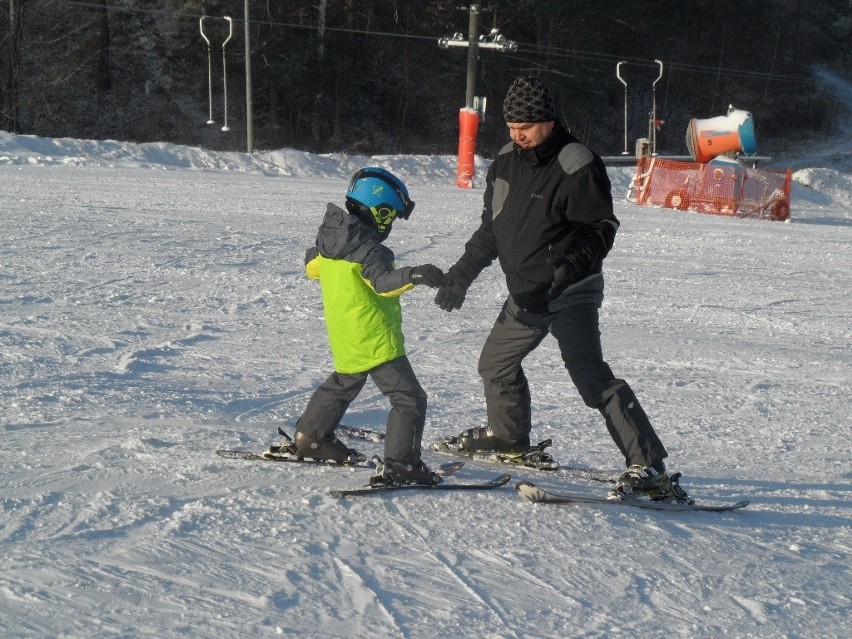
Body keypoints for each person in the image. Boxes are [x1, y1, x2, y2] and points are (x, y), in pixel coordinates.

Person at [433, 76, 688, 501]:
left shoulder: (576, 163)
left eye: (526, 127)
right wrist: (461, 274)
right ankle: (508, 437)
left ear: (549, 121)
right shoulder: (504, 160)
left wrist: (571, 266)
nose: (518, 135)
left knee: (590, 378)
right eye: (512, 126)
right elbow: (490, 231)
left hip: (571, 290)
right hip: (527, 292)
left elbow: (601, 229)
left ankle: (649, 467)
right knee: (495, 365)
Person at [287, 167, 445, 486]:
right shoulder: (369, 250)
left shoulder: (330, 242)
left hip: (345, 335)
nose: (390, 224)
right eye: (391, 216)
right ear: (380, 211)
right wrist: (416, 274)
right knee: (409, 398)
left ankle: (310, 436)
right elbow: (383, 284)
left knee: (342, 384)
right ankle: (401, 463)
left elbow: (311, 267)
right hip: (374, 339)